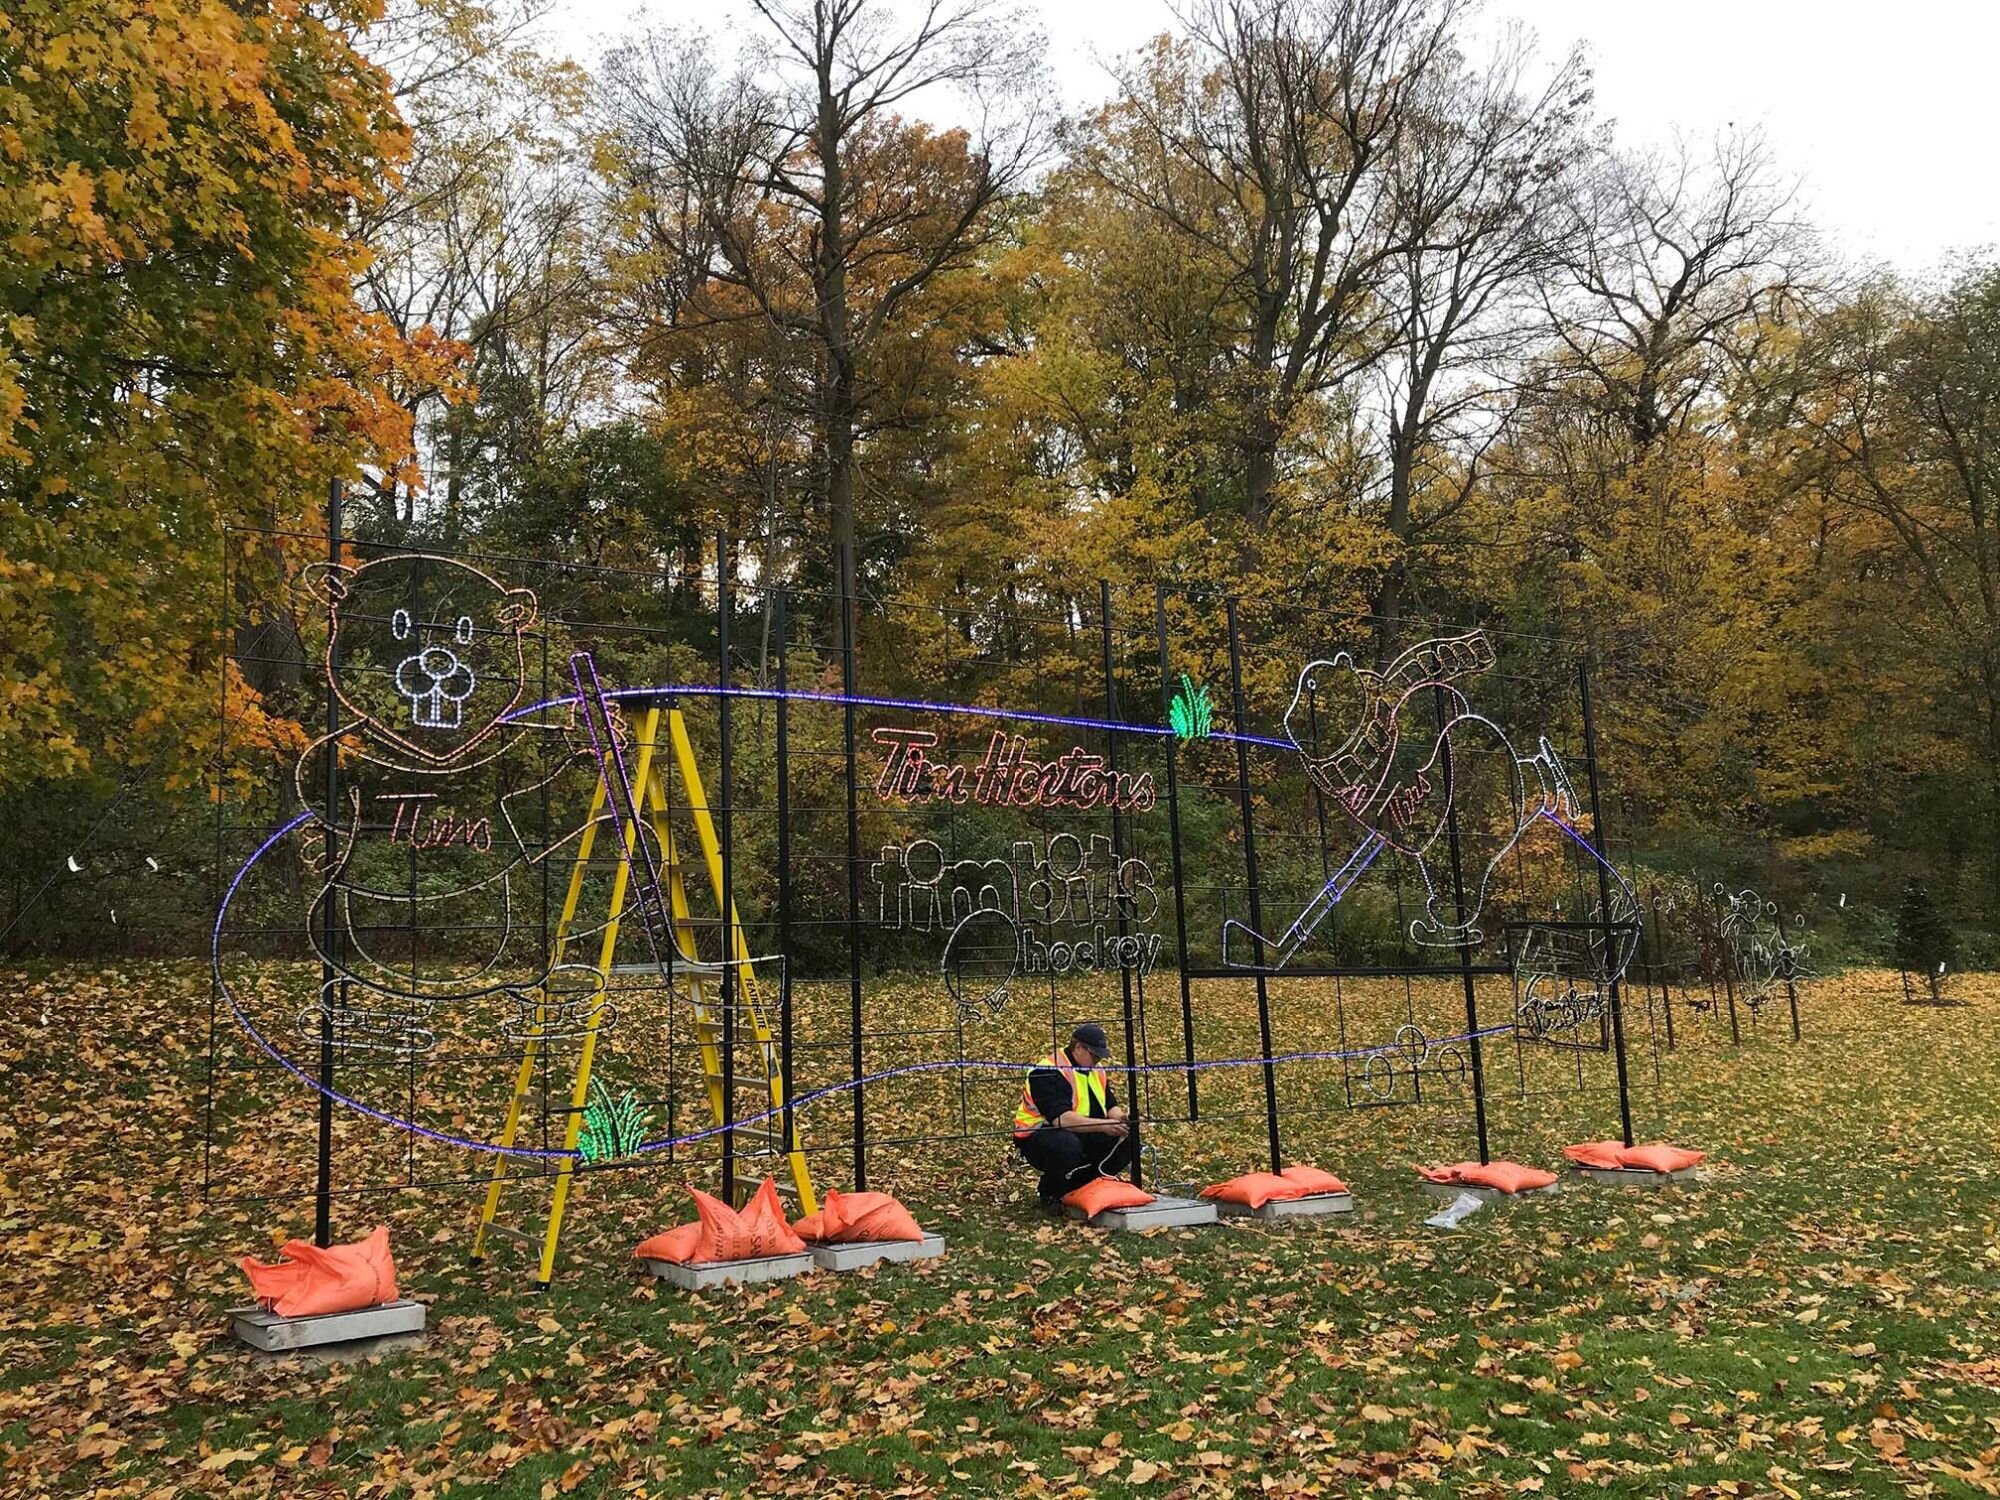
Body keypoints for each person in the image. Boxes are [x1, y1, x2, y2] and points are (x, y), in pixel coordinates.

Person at [1012, 1022, 1133, 1213]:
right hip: (1040, 1136)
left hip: (1084, 1130)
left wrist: (1123, 1119)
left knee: (1130, 1142)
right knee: (1066, 1145)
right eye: (1094, 1055)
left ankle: (1081, 1186)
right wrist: (1103, 1126)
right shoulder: (1048, 1071)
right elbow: (1061, 1119)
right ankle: (1050, 1192)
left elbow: (1110, 1105)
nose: (1097, 1060)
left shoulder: (1095, 1070)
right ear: (1078, 1048)